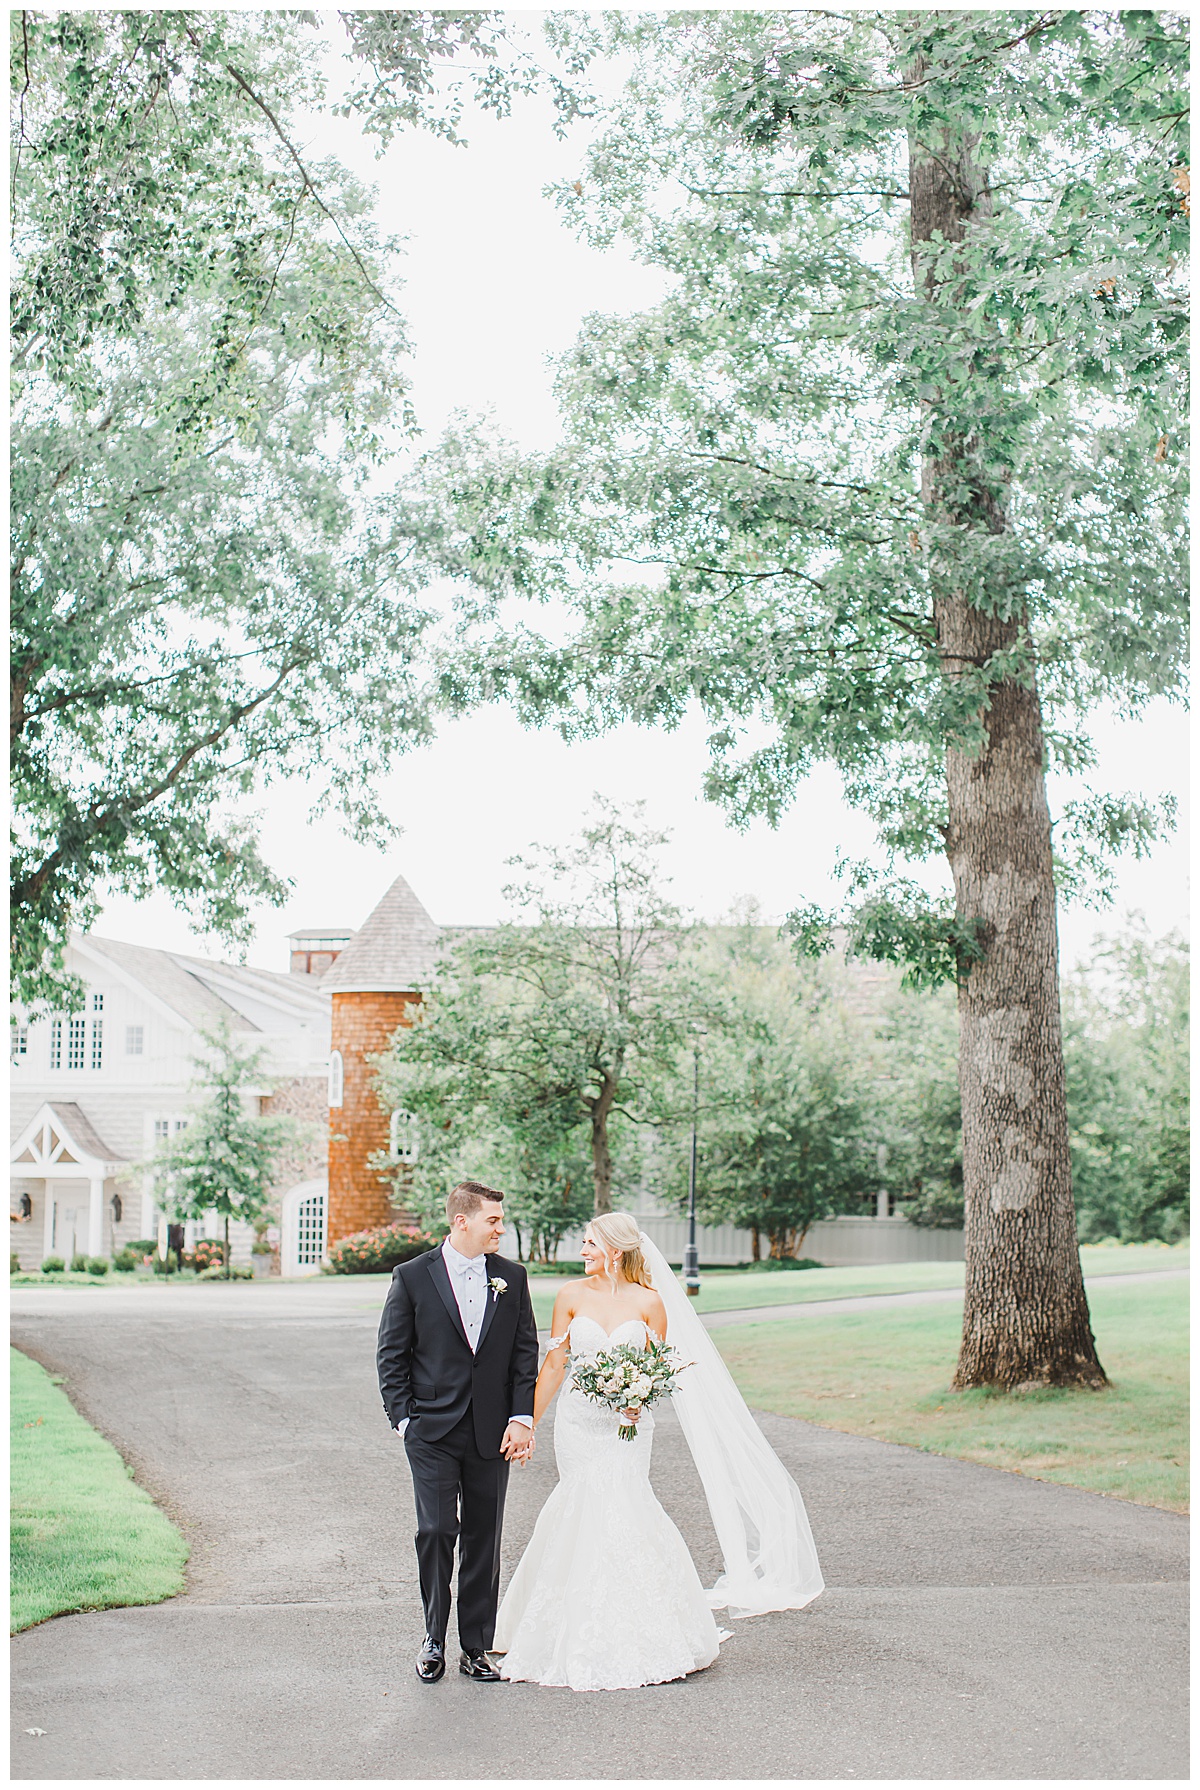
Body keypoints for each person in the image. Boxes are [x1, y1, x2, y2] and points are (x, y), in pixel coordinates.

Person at [492, 1211, 825, 1692]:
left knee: (625, 1506)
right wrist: (528, 1424)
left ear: (616, 1249)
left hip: (627, 1429)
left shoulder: (651, 1302)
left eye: (589, 1243)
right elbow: (555, 1365)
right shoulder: (569, 1296)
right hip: (579, 1425)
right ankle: (562, 1626)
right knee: (580, 1504)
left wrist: (636, 1399)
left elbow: (654, 1371)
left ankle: (641, 1625)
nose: (582, 1251)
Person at [376, 1181, 539, 1684]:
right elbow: (391, 1354)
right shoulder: (412, 1276)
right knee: (437, 1531)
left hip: (492, 1432)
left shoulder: (511, 1276)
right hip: (432, 1431)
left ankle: (475, 1646)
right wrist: (405, 1420)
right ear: (461, 1221)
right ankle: (432, 1637)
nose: (501, 1228)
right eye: (493, 1220)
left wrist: (520, 1418)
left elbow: (524, 1352)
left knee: (483, 1537)